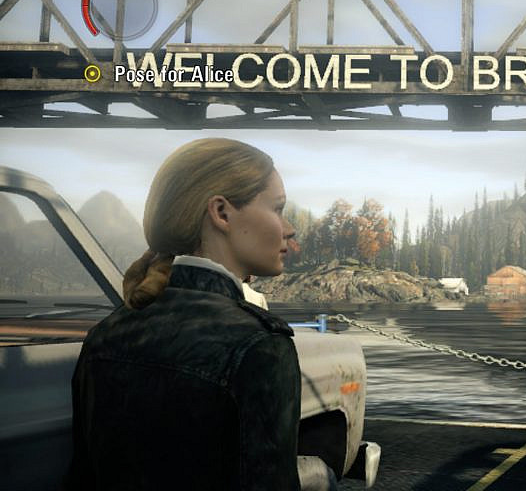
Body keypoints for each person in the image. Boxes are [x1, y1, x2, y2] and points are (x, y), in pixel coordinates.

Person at [64, 138, 335, 491]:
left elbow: (83, 477)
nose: (289, 229)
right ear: (221, 213)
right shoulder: (259, 345)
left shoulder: (107, 332)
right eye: (278, 208)